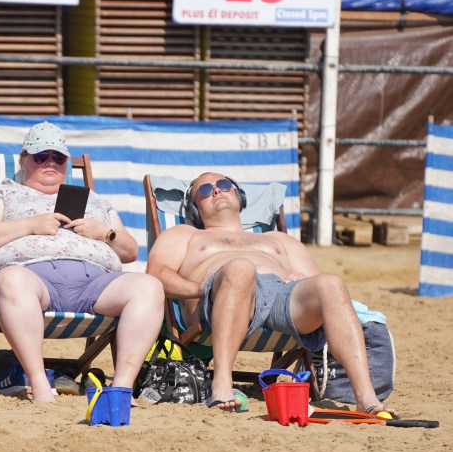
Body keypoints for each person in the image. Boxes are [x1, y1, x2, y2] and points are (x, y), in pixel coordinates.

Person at [145, 171, 399, 416]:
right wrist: (198, 288)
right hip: (215, 297)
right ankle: (221, 385)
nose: (216, 191)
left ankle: (366, 398)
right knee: (240, 268)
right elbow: (157, 273)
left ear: (239, 196)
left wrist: (304, 279)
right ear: (194, 208)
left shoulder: (279, 239)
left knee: (331, 284)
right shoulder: (185, 234)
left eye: (223, 184)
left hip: (281, 295)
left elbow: (315, 280)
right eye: (204, 189)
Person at [0, 122, 165, 404]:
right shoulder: (2, 193)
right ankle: (40, 385)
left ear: (67, 163)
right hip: (32, 281)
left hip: (96, 286)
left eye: (58, 158)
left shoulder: (94, 201)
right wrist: (31, 225)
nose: (50, 163)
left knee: (149, 286)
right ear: (24, 160)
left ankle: (120, 388)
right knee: (12, 281)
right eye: (40, 156)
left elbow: (130, 251)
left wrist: (105, 233)